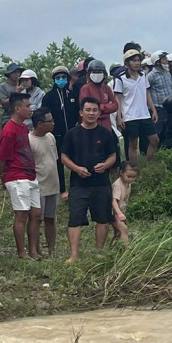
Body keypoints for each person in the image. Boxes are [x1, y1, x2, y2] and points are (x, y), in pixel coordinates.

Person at [60, 97, 117, 263]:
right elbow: (64, 156)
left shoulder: (106, 134)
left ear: (99, 113)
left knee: (102, 218)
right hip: (79, 184)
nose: (91, 113)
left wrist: (105, 165)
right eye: (88, 110)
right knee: (75, 219)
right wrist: (76, 168)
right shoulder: (72, 134)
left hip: (101, 183)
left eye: (94, 110)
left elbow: (113, 156)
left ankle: (99, 252)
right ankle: (74, 255)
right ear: (81, 112)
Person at [0, 92, 42, 259]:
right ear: (17, 109)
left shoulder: (23, 127)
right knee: (21, 214)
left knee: (36, 214)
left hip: (30, 174)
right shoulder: (8, 130)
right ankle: (22, 252)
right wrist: (3, 177)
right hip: (17, 175)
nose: (30, 109)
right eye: (27, 106)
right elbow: (1, 158)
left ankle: (33, 250)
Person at [113, 49, 159, 163]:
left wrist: (153, 110)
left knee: (154, 140)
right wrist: (119, 117)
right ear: (127, 63)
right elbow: (117, 99)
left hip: (144, 114)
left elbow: (147, 93)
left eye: (138, 60)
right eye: (134, 61)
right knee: (133, 143)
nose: (137, 63)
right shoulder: (120, 78)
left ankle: (149, 164)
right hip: (130, 116)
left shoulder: (143, 75)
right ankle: (134, 169)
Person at [42, 65, 79, 200]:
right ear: (54, 80)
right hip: (55, 134)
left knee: (76, 159)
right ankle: (62, 189)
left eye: (63, 77)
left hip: (72, 133)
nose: (61, 80)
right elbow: (44, 115)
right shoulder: (48, 97)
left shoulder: (73, 95)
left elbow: (78, 113)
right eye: (58, 78)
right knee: (58, 162)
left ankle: (76, 186)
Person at [28, 108, 61, 257]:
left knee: (50, 218)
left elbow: (54, 159)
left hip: (53, 185)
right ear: (40, 124)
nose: (53, 123)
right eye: (50, 121)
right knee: (36, 219)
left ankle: (51, 249)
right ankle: (35, 250)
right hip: (37, 186)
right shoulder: (29, 140)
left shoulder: (51, 137)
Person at [79, 59, 120, 168]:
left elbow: (115, 105)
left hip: (106, 127)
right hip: (91, 128)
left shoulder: (106, 88)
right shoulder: (85, 89)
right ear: (89, 74)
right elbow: (86, 107)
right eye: (94, 72)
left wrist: (100, 108)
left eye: (99, 72)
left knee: (111, 153)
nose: (97, 75)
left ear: (104, 74)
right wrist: (105, 108)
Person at [111, 162, 139, 245]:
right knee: (124, 229)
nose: (131, 179)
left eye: (134, 177)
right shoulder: (117, 185)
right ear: (121, 173)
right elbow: (114, 200)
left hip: (120, 212)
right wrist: (119, 213)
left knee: (118, 233)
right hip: (114, 212)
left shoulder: (128, 184)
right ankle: (127, 249)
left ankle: (110, 248)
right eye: (129, 176)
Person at [148, 50, 172, 135]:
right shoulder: (151, 76)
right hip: (158, 108)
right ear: (157, 62)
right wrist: (153, 109)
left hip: (169, 108)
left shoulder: (168, 73)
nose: (167, 60)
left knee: (168, 132)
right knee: (157, 133)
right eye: (164, 59)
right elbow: (146, 92)